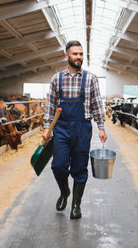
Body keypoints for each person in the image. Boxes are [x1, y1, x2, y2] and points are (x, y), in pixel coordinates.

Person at [43, 40, 107, 219]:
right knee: (58, 166)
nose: (78, 57)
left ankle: (76, 205)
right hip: (61, 128)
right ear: (67, 55)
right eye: (75, 54)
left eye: (81, 54)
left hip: (82, 128)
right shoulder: (57, 78)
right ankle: (64, 192)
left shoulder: (91, 78)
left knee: (79, 168)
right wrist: (47, 127)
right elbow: (50, 105)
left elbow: (96, 105)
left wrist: (101, 127)